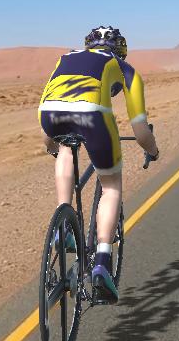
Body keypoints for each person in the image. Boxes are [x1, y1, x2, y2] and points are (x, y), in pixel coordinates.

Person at [39, 26, 160, 301]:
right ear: (121, 51)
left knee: (65, 148)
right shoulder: (125, 69)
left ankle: (63, 223)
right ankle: (102, 262)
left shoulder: (65, 58)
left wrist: (51, 147)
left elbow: (48, 127)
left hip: (49, 114)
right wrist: (153, 151)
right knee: (111, 186)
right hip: (93, 116)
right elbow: (141, 131)